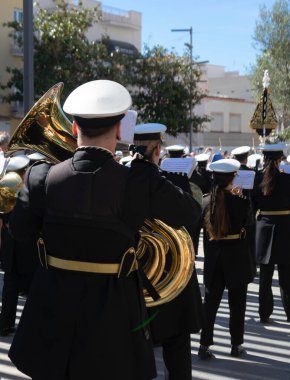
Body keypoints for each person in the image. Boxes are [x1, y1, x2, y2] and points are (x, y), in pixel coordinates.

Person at [8, 80, 201, 380]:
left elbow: (19, 231)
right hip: (114, 327)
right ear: (121, 129)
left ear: (74, 129)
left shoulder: (40, 178)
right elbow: (190, 210)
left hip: (49, 321)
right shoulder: (138, 182)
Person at [131, 123, 203, 380]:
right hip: (170, 287)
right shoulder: (160, 183)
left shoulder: (120, 179)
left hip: (133, 283)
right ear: (157, 150)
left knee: (134, 356)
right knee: (177, 354)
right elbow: (194, 213)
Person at [198, 158, 254, 359]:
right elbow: (249, 225)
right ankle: (236, 345)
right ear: (233, 178)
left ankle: (203, 346)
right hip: (236, 257)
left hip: (214, 258)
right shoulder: (241, 201)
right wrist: (240, 198)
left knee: (210, 303)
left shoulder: (206, 201)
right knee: (237, 304)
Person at [252, 144, 290, 323]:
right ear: (280, 159)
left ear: (264, 159)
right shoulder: (288, 178)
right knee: (286, 274)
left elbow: (254, 203)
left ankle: (264, 313)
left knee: (265, 275)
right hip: (284, 227)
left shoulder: (257, 177)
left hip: (264, 227)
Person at [0, 155, 38, 337]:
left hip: (9, 243)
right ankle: (30, 329)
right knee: (32, 288)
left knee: (10, 287)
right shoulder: (30, 187)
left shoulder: (5, 185)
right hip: (27, 244)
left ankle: (5, 324)